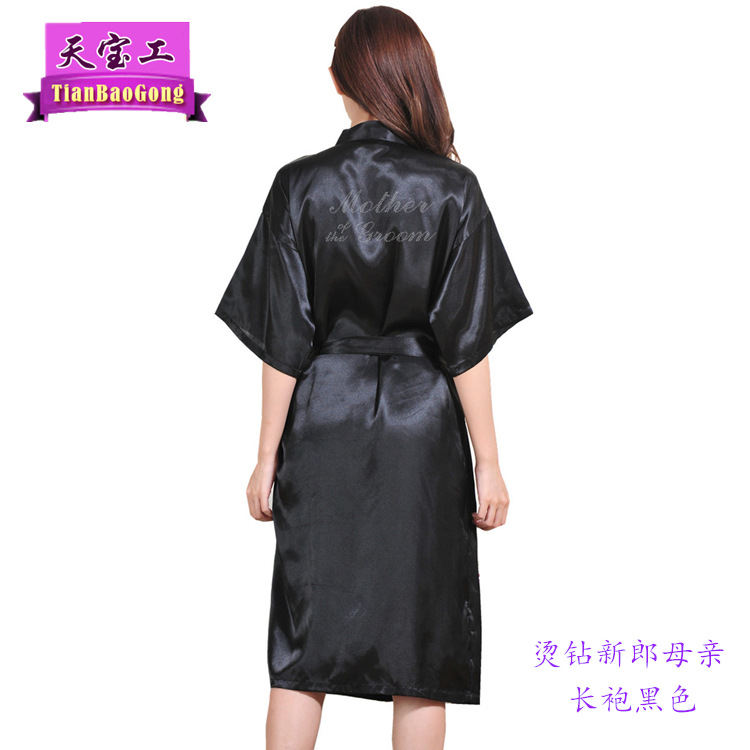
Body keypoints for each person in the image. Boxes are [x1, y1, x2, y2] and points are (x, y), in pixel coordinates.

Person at [214, 6, 533, 749]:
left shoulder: (298, 185)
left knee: (303, 645)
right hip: (423, 430)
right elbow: (466, 341)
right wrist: (488, 461)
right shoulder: (453, 190)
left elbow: (283, 337)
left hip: (323, 416)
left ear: (338, 78)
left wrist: (265, 456)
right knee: (422, 649)